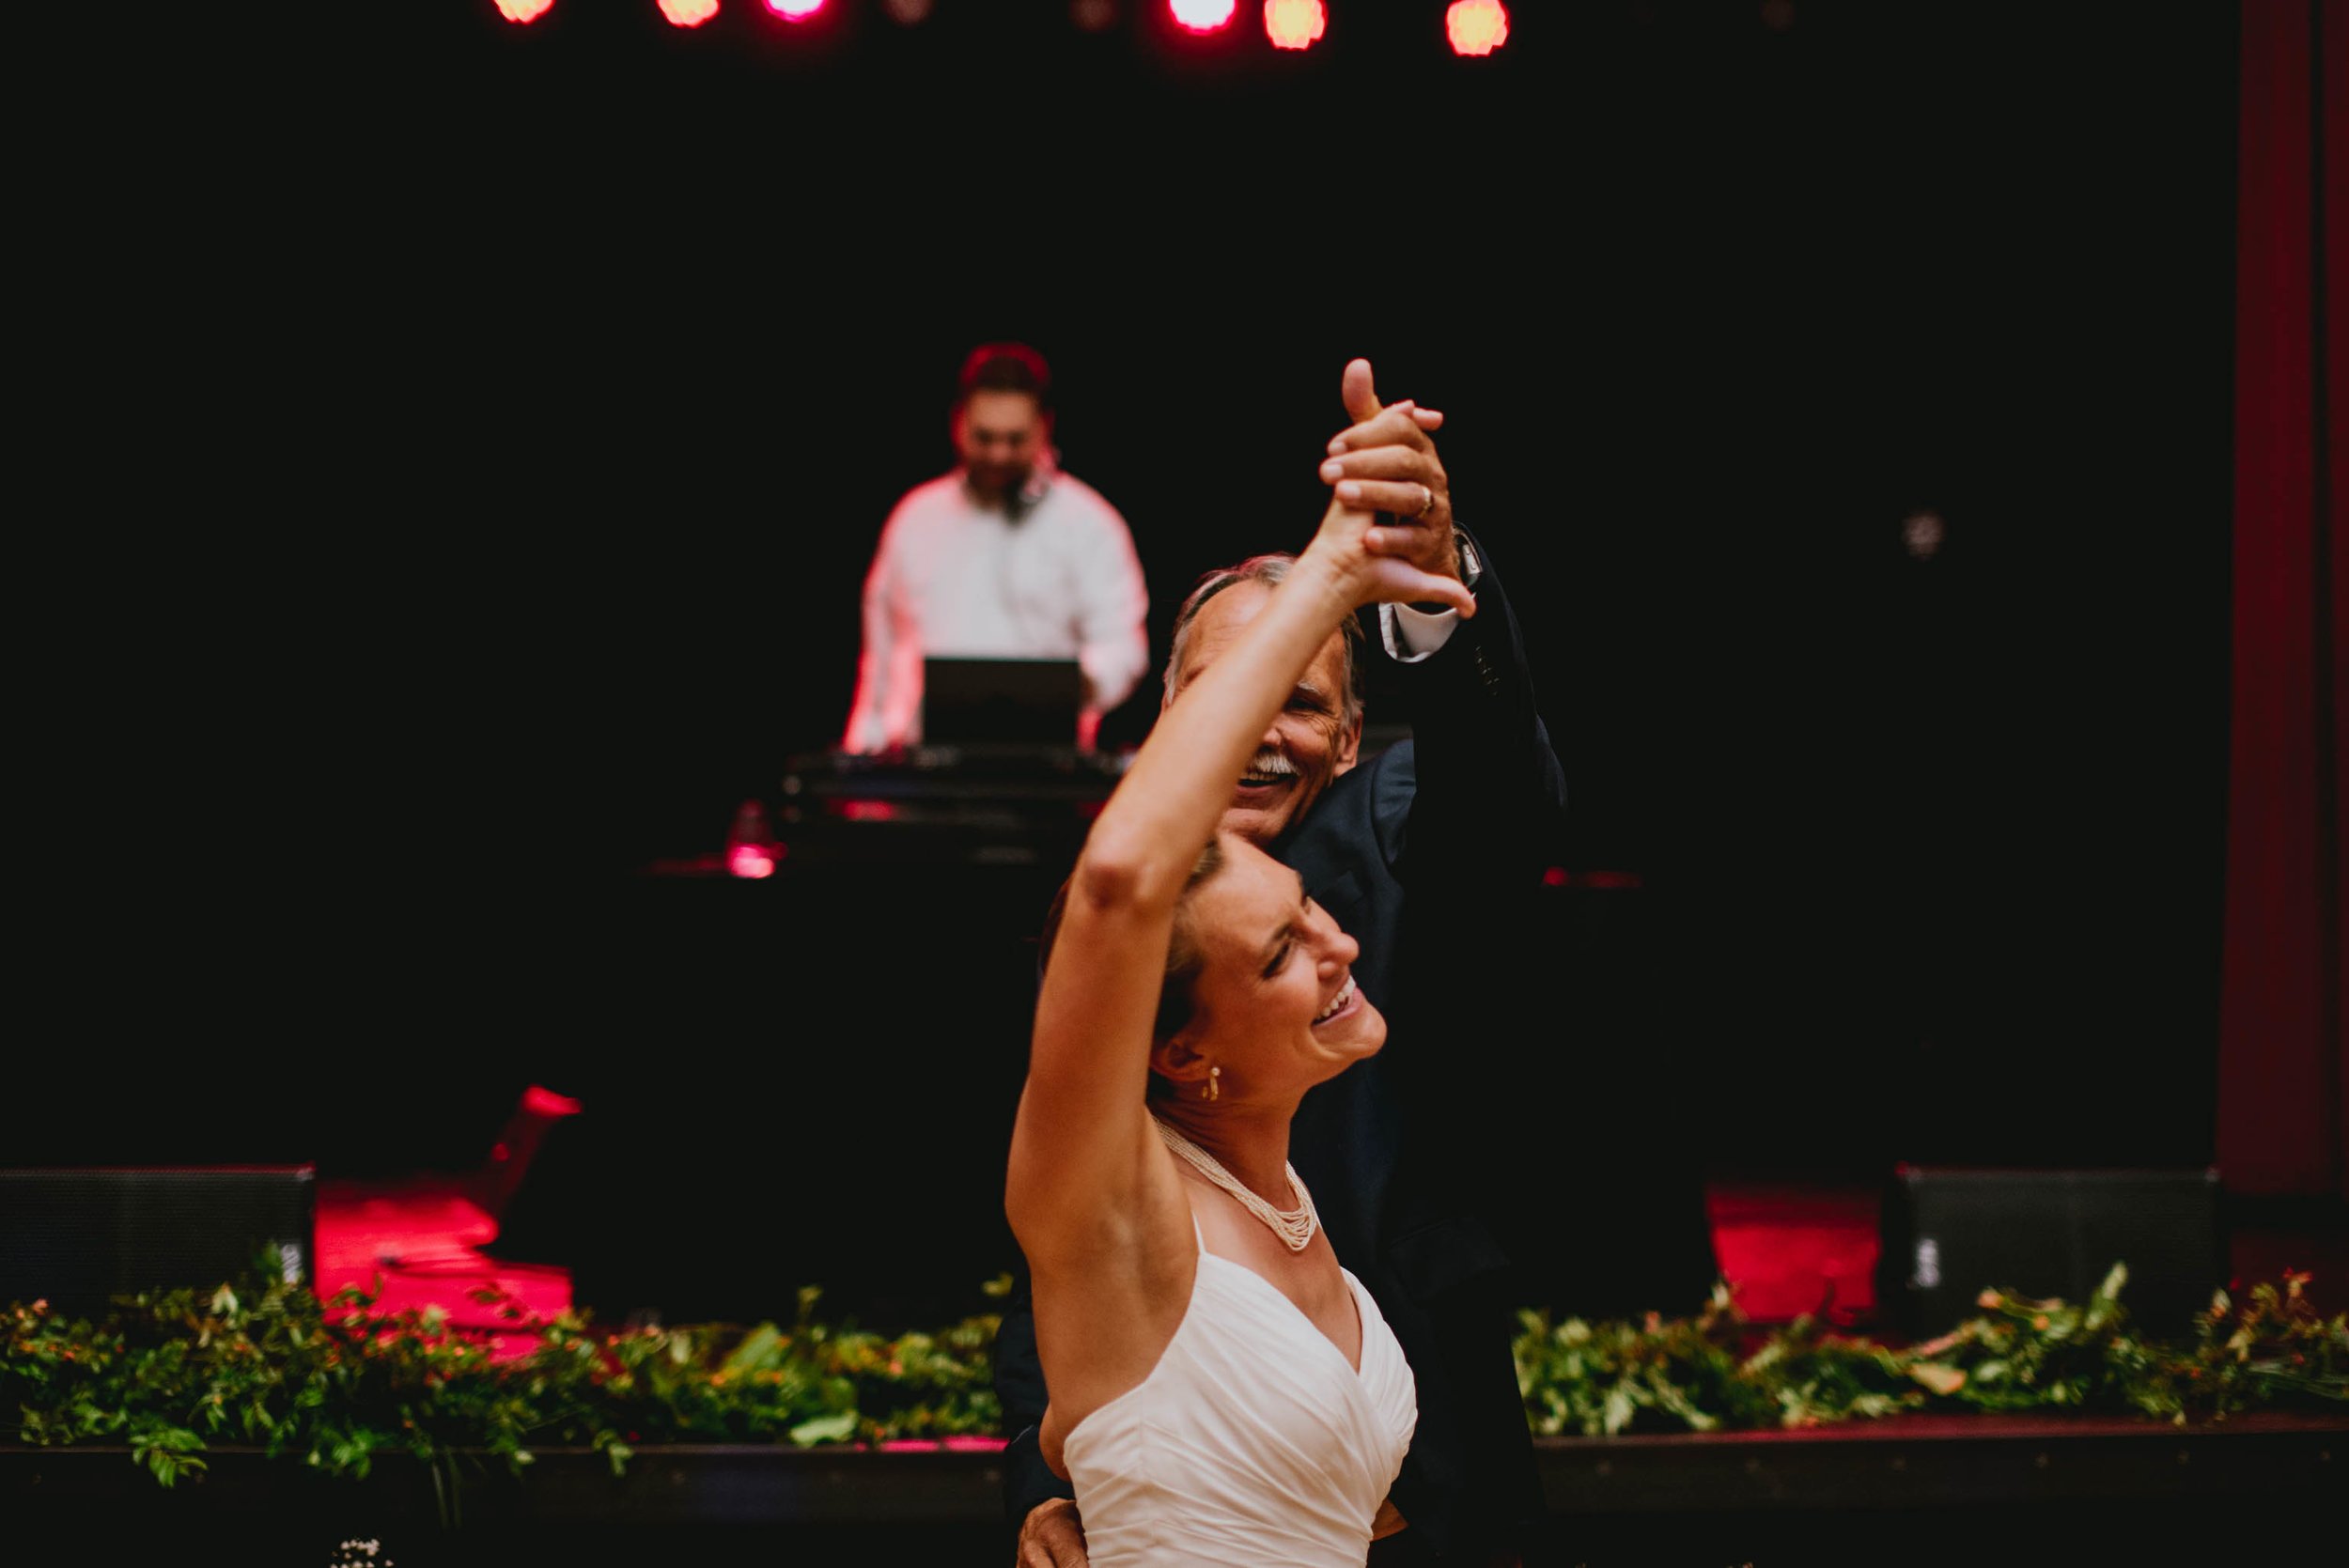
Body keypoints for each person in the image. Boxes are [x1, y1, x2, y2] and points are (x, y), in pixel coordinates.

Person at [999, 362, 1570, 1567]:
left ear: (1354, 735)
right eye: (1222, 695)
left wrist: (1431, 573)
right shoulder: (1098, 921)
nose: (1334, 949)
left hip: (1427, 1444)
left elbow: (1505, 799)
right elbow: (1056, 1240)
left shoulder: (1401, 824)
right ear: (1172, 717)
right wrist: (1059, 1475)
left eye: (1301, 705)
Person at [841, 343, 1150, 753]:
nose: (999, 453)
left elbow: (1123, 645)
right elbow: (879, 653)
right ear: (957, 423)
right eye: (984, 437)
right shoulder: (914, 518)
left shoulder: (1090, 524)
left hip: (1046, 770)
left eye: (1015, 439)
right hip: (925, 770)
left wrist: (1071, 686)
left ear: (1045, 427)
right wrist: (862, 750)